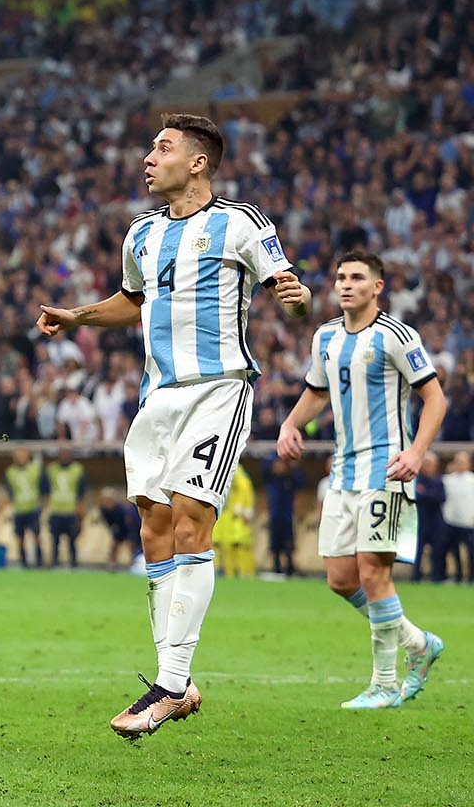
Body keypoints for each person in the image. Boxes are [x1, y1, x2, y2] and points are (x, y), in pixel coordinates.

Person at [38, 113, 310, 738]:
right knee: (154, 526)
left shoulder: (242, 222)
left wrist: (301, 302)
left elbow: (288, 290)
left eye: (162, 147)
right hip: (156, 397)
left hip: (218, 388)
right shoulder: (140, 233)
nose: (148, 157)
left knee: (192, 516)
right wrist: (77, 316)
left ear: (198, 162)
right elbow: (132, 300)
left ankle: (167, 684)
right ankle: (177, 684)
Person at [278, 249, 448, 708]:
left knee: (374, 573)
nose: (346, 284)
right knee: (339, 577)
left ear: (378, 287)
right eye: (340, 277)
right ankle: (419, 644)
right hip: (344, 469)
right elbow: (317, 392)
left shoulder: (396, 335)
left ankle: (384, 684)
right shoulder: (326, 338)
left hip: (387, 469)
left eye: (357, 277)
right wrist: (291, 424)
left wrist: (416, 452)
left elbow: (435, 399)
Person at [45, 449, 87, 568]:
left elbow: (81, 491)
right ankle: (54, 563)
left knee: (72, 540)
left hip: (71, 511)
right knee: (55, 540)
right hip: (56, 510)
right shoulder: (51, 469)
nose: (65, 457)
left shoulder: (77, 469)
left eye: (67, 454)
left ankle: (73, 564)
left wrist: (80, 510)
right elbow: (46, 490)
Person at [5, 447, 45, 568]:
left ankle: (39, 562)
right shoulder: (10, 472)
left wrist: (42, 504)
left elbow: (43, 488)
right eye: (18, 455)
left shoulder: (35, 469)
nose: (21, 457)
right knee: (20, 538)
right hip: (19, 509)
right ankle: (23, 562)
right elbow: (10, 491)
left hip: (33, 508)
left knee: (36, 536)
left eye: (23, 455)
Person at [264, 453, 304, 576]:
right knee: (275, 544)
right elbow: (263, 470)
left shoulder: (290, 478)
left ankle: (290, 567)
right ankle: (276, 568)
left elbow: (302, 482)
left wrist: (291, 468)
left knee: (288, 544)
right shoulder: (271, 479)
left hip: (287, 516)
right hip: (274, 515)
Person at [215, 463, 256, 579]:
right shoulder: (230, 472)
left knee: (241, 545)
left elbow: (246, 492)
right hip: (225, 514)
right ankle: (228, 574)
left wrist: (245, 509)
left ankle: (245, 574)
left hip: (236, 515)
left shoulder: (238, 475)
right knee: (224, 545)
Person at [413, 455, 446, 583]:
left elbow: (441, 498)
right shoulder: (416, 480)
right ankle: (415, 577)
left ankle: (436, 576)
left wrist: (425, 494)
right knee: (418, 551)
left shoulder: (438, 481)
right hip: (420, 521)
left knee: (437, 551)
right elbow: (417, 496)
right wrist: (430, 495)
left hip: (436, 522)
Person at [444, 452, 474, 583]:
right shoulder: (447, 480)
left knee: (471, 551)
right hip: (451, 521)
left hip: (469, 522)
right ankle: (458, 575)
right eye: (458, 462)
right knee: (454, 551)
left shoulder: (472, 480)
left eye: (463, 462)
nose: (460, 465)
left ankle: (471, 577)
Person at [97, 489, 142, 569]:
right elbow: (108, 522)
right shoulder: (103, 510)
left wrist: (131, 534)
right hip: (119, 529)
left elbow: (129, 521)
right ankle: (112, 563)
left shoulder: (121, 509)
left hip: (128, 528)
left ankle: (134, 562)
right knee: (114, 545)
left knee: (132, 545)